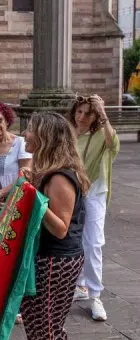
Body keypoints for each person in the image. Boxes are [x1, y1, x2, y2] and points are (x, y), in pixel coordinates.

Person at [20, 111, 91, 339]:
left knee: (45, 330)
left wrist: (31, 194)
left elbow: (61, 228)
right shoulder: (48, 173)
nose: (24, 134)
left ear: (46, 137)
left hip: (55, 261)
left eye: (30, 128)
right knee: (39, 327)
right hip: (48, 258)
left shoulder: (60, 177)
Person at [68, 95, 120, 321]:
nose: (81, 117)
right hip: (70, 190)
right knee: (75, 240)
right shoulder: (69, 133)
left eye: (88, 113)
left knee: (94, 242)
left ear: (95, 115)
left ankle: (95, 295)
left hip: (94, 191)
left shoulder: (100, 134)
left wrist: (103, 112)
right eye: (79, 112)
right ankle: (80, 285)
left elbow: (113, 145)